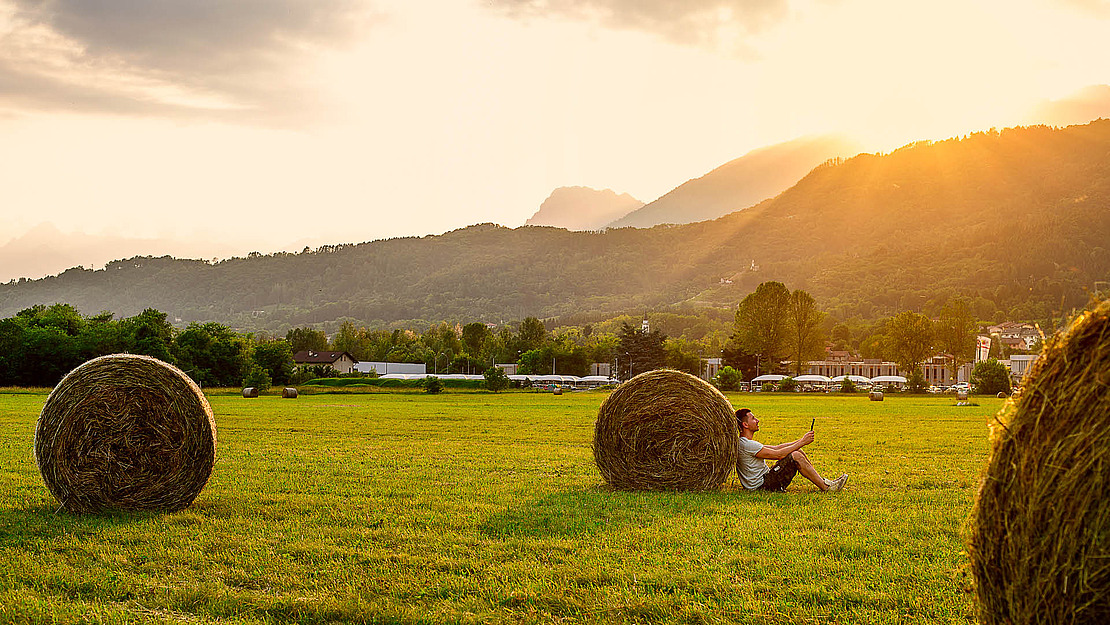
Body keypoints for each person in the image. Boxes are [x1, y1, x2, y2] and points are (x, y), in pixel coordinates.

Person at [735, 408, 848, 492]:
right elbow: (778, 455)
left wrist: (801, 440)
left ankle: (824, 482)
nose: (757, 420)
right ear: (745, 424)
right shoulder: (747, 445)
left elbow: (777, 447)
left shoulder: (745, 443)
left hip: (765, 480)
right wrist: (803, 442)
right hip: (762, 486)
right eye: (753, 418)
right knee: (796, 455)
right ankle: (826, 487)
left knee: (797, 452)